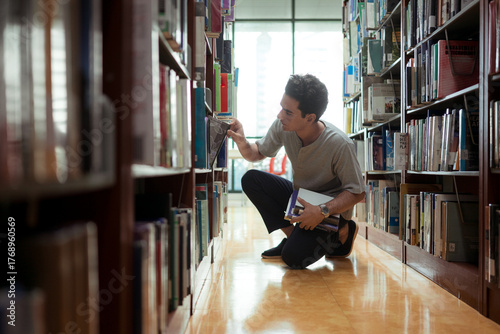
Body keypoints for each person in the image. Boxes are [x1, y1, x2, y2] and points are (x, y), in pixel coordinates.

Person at [227, 74, 365, 269]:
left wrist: (322, 211)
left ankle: (343, 230)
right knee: (251, 179)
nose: (280, 116)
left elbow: (357, 192)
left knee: (292, 258)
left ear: (310, 118)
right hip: (300, 199)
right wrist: (242, 141)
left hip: (328, 210)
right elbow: (256, 153)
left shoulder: (340, 144)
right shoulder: (283, 127)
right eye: (282, 108)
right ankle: (293, 236)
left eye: (288, 112)